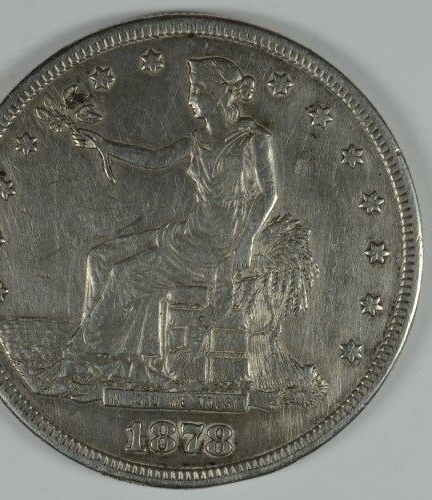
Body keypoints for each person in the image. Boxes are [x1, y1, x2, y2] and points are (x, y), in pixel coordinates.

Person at [43, 56, 279, 391]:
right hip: (184, 236)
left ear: (218, 94)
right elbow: (154, 159)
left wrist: (246, 241)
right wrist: (104, 145)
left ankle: (78, 357)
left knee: (124, 276)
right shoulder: (197, 141)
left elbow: (268, 194)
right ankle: (113, 361)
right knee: (99, 258)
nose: (190, 98)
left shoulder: (254, 141)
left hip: (212, 250)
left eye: (197, 89)